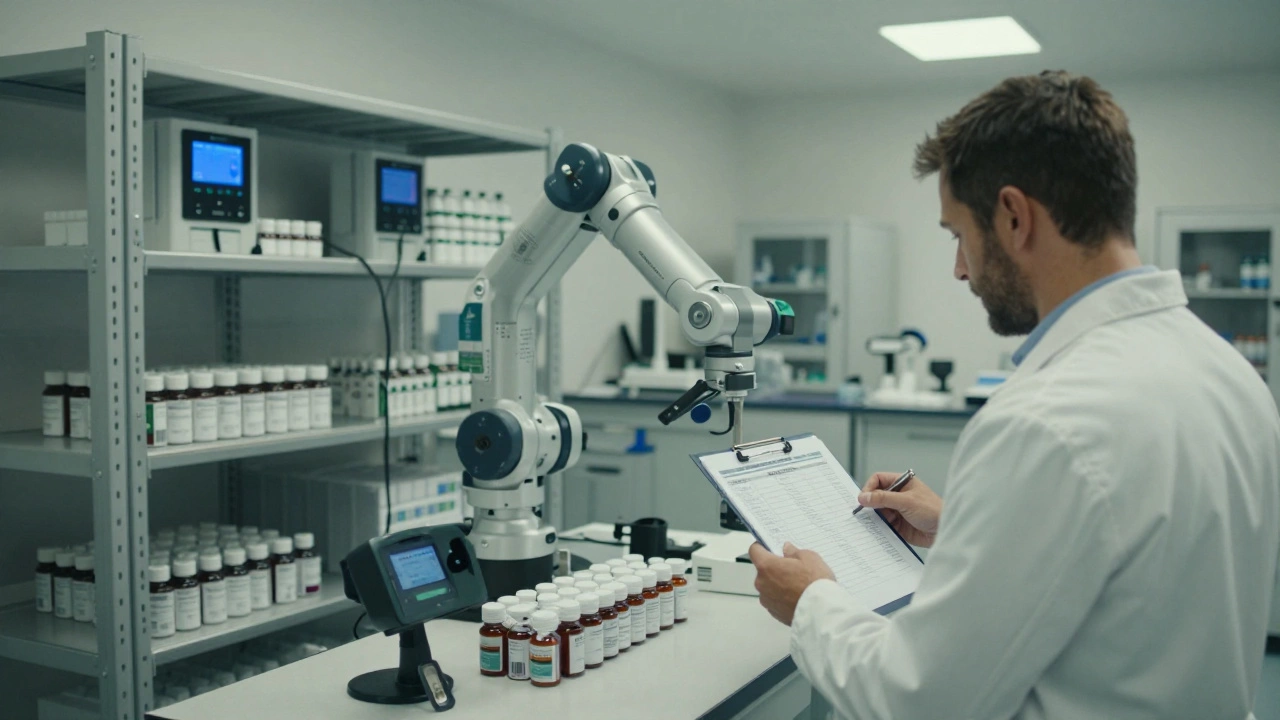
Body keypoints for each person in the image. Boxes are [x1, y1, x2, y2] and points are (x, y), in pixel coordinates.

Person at [750, 70, 1280, 719]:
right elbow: (1147, 568)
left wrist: (811, 601)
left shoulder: (1045, 422)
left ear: (1013, 216)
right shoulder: (1229, 374)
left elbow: (919, 699)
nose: (959, 269)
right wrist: (966, 527)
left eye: (957, 234)